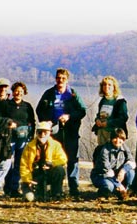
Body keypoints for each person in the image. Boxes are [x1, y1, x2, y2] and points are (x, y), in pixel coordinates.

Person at [35, 68, 87, 197]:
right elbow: (39, 109)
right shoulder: (49, 93)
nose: (60, 80)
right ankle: (54, 189)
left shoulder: (73, 94)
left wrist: (69, 116)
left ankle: (73, 189)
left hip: (70, 132)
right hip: (53, 132)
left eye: (63, 78)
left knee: (72, 160)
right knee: (51, 159)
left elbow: (82, 111)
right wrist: (47, 123)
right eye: (58, 78)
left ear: (67, 80)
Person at [2, 81, 36, 198]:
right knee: (7, 164)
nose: (18, 93)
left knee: (19, 165)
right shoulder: (6, 105)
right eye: (16, 91)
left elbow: (32, 122)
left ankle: (15, 189)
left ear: (24, 92)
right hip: (9, 139)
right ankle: (7, 188)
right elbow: (2, 119)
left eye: (21, 91)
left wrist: (31, 136)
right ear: (12, 91)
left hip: (23, 140)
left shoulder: (27, 106)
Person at [20, 121, 68, 202]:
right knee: (30, 198)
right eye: (40, 132)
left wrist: (52, 164)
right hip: (34, 175)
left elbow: (63, 159)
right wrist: (28, 180)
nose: (42, 134)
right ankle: (35, 192)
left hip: (49, 173)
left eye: (45, 132)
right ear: (36, 133)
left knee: (59, 170)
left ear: (49, 133)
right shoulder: (29, 147)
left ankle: (56, 193)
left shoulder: (56, 145)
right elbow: (23, 166)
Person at [91, 128, 136, 200]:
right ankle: (104, 192)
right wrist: (119, 185)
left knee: (131, 172)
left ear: (124, 139)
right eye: (115, 138)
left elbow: (132, 162)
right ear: (111, 138)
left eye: (120, 138)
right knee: (109, 186)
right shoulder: (105, 150)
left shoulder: (125, 147)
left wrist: (123, 171)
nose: (118, 141)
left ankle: (125, 192)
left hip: (117, 175)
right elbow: (107, 170)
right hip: (102, 175)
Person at [92, 76, 128, 146]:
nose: (106, 86)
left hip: (114, 135)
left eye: (109, 85)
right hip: (102, 132)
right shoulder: (103, 100)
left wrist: (108, 123)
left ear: (114, 87)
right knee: (101, 154)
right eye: (104, 84)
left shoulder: (120, 101)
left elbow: (123, 118)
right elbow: (99, 114)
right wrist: (97, 120)